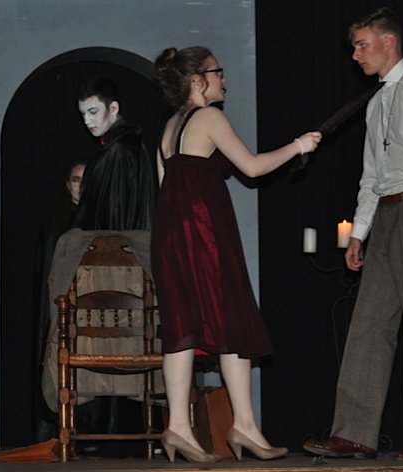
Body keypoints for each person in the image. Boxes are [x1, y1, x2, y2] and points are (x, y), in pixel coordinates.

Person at [151, 46, 321, 463]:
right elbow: (252, 167)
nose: (224, 80)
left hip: (170, 237)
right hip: (204, 233)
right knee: (230, 316)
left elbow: (164, 188)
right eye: (218, 72)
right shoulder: (209, 117)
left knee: (183, 327)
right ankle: (241, 424)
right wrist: (298, 145)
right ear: (198, 80)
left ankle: (181, 426)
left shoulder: (169, 128)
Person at [302, 7, 403, 461]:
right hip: (387, 215)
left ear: (389, 41)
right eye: (355, 47)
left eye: (362, 45)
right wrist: (359, 233)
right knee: (368, 324)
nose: (356, 55)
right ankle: (353, 434)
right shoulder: (374, 104)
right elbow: (371, 177)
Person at [32, 158, 86, 441]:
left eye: (86, 180)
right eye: (76, 180)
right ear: (67, 185)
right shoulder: (55, 219)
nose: (81, 186)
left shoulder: (101, 216)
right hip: (60, 306)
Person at [73, 76, 155, 230]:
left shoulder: (120, 149)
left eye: (93, 112)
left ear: (113, 109)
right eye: (83, 114)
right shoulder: (123, 146)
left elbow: (115, 214)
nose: (87, 121)